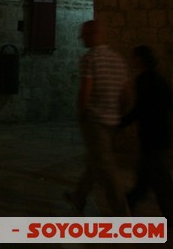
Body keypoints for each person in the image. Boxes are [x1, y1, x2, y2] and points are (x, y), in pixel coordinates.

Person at [64, 20, 130, 215]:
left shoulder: (89, 59)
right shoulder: (118, 59)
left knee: (107, 169)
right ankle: (78, 197)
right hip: (113, 120)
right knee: (96, 160)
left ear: (93, 34)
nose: (81, 38)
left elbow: (86, 90)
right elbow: (126, 94)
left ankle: (122, 213)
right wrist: (121, 118)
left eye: (83, 34)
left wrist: (82, 113)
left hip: (96, 121)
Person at [121, 45, 173, 218]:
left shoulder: (143, 80)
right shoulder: (160, 79)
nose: (131, 60)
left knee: (159, 180)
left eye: (133, 57)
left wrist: (121, 123)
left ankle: (168, 213)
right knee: (149, 176)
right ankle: (130, 200)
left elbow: (140, 109)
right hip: (160, 135)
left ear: (140, 59)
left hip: (151, 136)